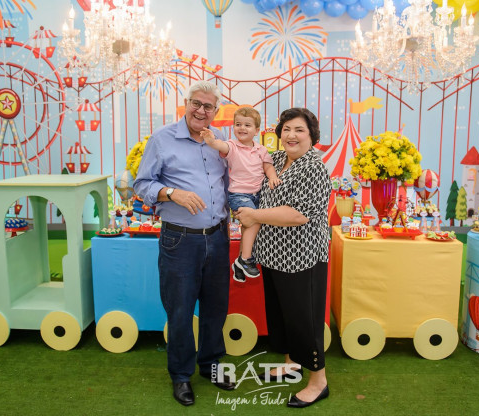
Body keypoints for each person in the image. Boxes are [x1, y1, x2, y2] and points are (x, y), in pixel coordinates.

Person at [133, 80, 236, 407]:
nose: (201, 111)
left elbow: (231, 180)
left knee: (216, 307)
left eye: (208, 106)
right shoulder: (162, 139)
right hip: (179, 239)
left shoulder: (219, 140)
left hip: (218, 236)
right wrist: (171, 193)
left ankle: (211, 364)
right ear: (186, 103)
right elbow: (141, 184)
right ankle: (180, 375)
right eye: (196, 103)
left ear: (215, 111)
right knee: (179, 310)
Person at [234, 108, 331, 409]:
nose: (291, 135)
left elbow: (299, 214)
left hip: (303, 257)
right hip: (273, 255)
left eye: (299, 130)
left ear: (312, 135)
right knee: (282, 316)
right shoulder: (274, 160)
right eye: (286, 129)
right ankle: (291, 365)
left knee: (304, 320)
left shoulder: (314, 167)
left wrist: (253, 215)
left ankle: (318, 382)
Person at [200, 107, 281, 282]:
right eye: (238, 124)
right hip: (239, 194)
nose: (242, 128)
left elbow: (268, 166)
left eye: (247, 125)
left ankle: (239, 262)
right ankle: (245, 259)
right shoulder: (232, 146)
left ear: (256, 130)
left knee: (248, 225)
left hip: (258, 194)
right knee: (254, 220)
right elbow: (220, 146)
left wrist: (273, 177)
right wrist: (211, 140)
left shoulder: (261, 150)